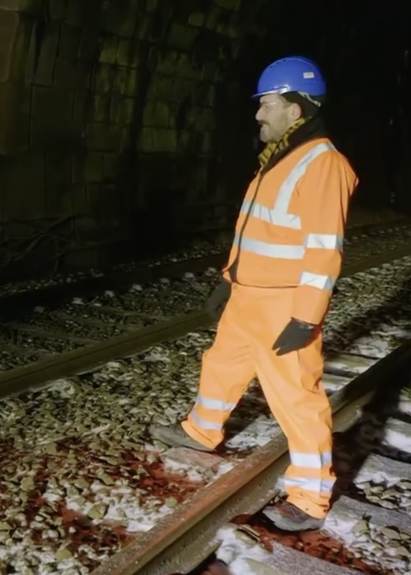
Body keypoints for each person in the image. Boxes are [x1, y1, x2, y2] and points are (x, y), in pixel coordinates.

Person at [150, 56, 358, 531]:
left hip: (284, 302)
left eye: (267, 104)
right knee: (222, 364)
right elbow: (255, 233)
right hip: (249, 295)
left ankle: (309, 497)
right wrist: (229, 279)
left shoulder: (324, 163)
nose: (258, 114)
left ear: (295, 110)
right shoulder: (280, 159)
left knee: (296, 397)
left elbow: (324, 249)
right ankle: (201, 431)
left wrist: (306, 317)